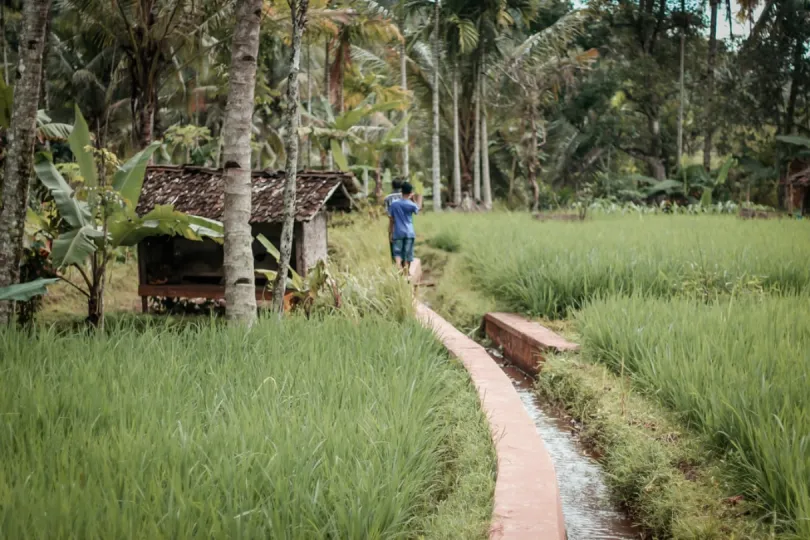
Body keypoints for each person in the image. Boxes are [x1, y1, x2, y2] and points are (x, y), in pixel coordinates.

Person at [388, 182, 421, 275]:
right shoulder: (411, 205)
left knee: (397, 253)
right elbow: (417, 211)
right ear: (410, 192)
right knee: (407, 255)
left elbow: (391, 219)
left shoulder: (394, 204)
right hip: (409, 232)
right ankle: (406, 274)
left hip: (398, 232)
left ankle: (399, 269)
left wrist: (390, 232)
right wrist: (413, 199)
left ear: (401, 191)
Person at [383, 179, 403, 262]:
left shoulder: (387, 198)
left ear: (392, 186)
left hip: (393, 225)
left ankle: (395, 265)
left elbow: (388, 213)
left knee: (393, 246)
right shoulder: (405, 196)